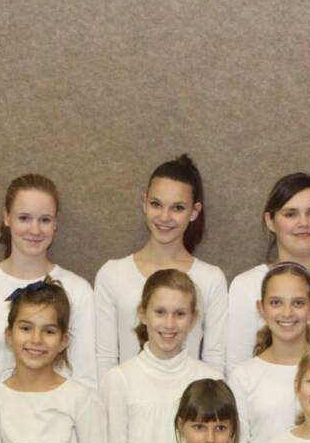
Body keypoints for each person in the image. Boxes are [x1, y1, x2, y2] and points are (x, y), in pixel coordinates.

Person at [0, 174, 97, 436]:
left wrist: (56, 431)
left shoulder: (78, 291)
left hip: (59, 437)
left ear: (56, 223)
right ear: (6, 217)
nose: (35, 230)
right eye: (24, 218)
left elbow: (85, 376)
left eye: (45, 220)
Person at [92, 155, 229, 374]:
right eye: (156, 204)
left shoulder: (211, 279)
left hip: (190, 395)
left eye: (178, 208)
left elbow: (214, 359)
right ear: (144, 202)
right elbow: (105, 359)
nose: (164, 217)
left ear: (194, 212)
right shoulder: (112, 274)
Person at [0, 279, 109, 443]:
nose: (36, 339)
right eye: (26, 328)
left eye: (49, 331)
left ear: (63, 341)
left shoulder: (81, 399)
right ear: (9, 335)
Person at [222, 174, 310, 372]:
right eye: (291, 214)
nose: (303, 223)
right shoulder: (246, 285)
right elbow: (237, 368)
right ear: (270, 221)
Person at [100, 270, 220, 443]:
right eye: (160, 312)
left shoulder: (211, 380)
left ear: (194, 318)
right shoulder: (119, 379)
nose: (169, 324)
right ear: (142, 314)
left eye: (180, 314)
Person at [227, 263, 310, 443]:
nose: (287, 312)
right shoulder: (243, 376)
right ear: (261, 309)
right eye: (276, 303)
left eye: (298, 303)